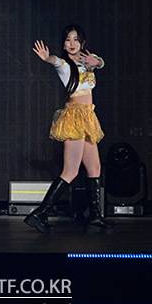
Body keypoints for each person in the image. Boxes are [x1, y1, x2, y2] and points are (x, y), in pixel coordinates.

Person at [26, 25, 107, 233]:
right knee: (70, 171)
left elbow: (100, 63)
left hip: (88, 116)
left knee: (95, 168)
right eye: (68, 40)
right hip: (75, 117)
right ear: (63, 44)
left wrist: (97, 61)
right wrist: (47, 58)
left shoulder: (87, 60)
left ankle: (96, 217)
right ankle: (40, 213)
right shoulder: (64, 64)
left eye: (75, 39)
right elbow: (55, 60)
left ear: (82, 42)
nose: (72, 43)